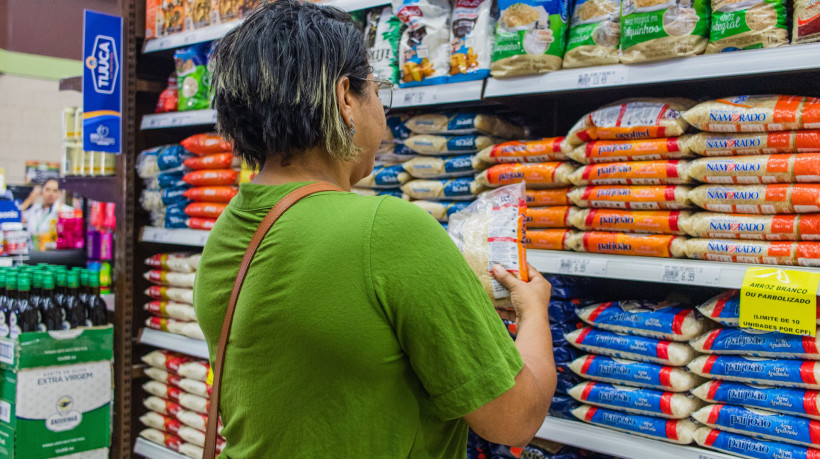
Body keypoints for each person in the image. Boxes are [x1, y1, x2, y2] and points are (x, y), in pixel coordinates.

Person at [193, 1, 556, 457]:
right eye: (377, 88)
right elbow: (515, 420)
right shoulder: (388, 231)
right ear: (346, 97)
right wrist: (534, 308)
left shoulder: (227, 230)